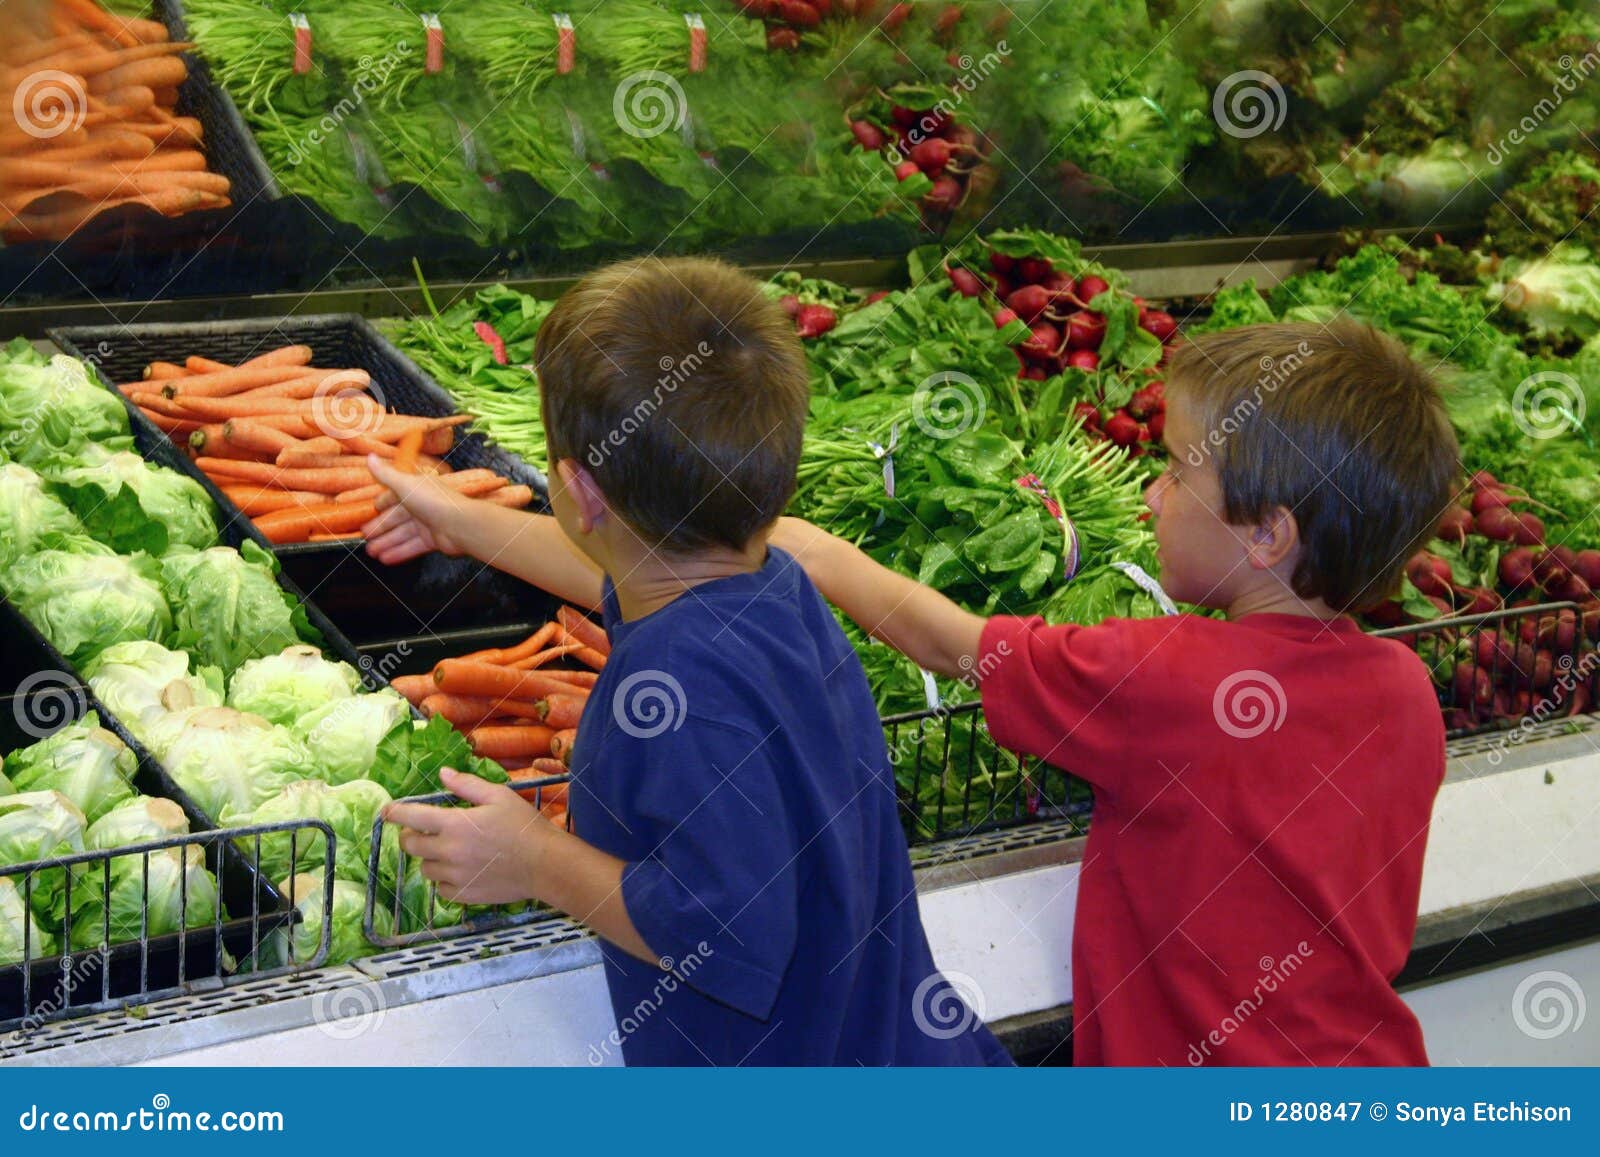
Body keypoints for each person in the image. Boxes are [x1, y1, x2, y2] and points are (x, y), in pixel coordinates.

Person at [365, 256, 1011, 1067]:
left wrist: (534, 859)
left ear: (579, 492)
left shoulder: (682, 688)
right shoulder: (770, 586)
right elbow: (619, 568)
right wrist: (460, 520)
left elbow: (732, 931)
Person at [773, 321, 1459, 1066]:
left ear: (1267, 535)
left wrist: (815, 550)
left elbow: (951, 645)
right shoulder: (1408, 689)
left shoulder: (1166, 679)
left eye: (1177, 471)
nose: (1152, 494)